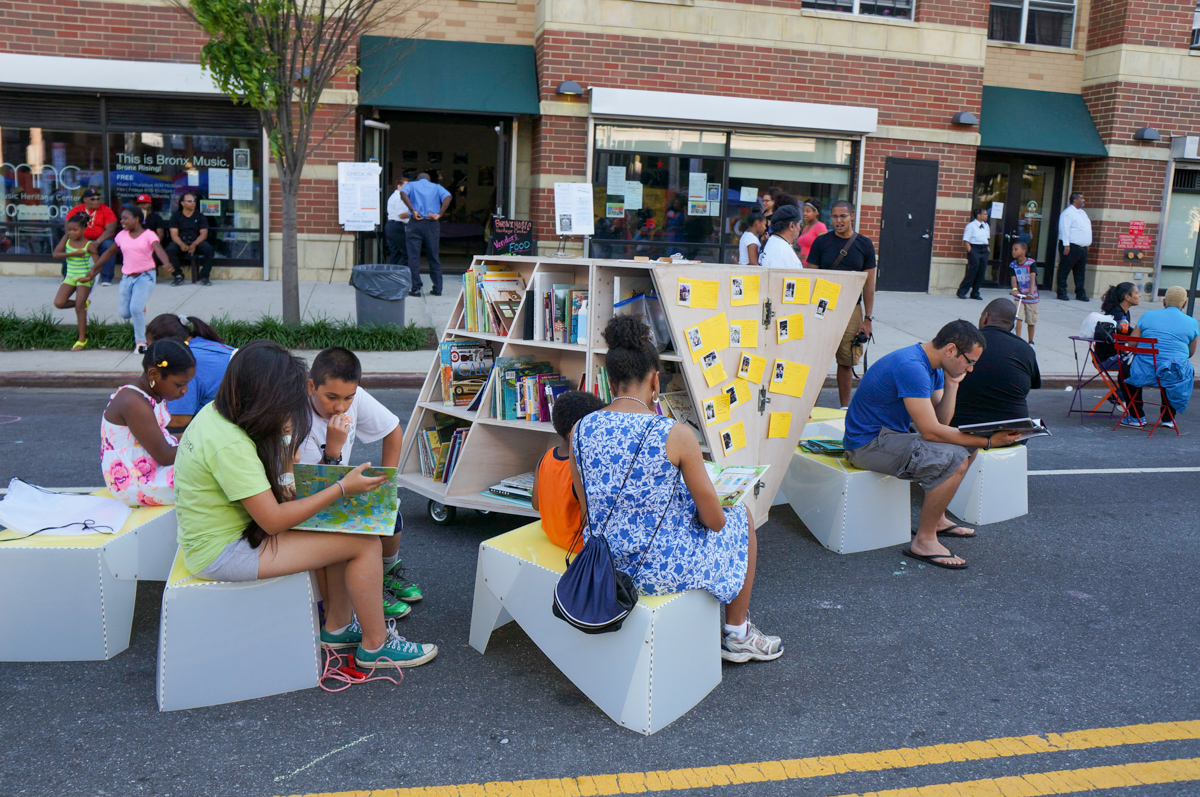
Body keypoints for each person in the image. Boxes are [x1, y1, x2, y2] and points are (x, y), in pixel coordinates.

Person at [173, 340, 437, 669]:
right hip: (223, 551)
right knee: (365, 543)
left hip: (228, 535)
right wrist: (342, 487)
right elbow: (273, 521)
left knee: (337, 528)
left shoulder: (218, 415)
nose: (288, 404)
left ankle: (339, 627)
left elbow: (278, 494)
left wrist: (286, 457)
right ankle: (376, 644)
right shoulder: (228, 443)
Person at [570, 315, 783, 662]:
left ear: (610, 381)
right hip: (654, 571)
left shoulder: (580, 428)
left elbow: (587, 508)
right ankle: (737, 633)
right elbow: (714, 522)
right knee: (740, 517)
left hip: (600, 563)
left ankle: (737, 633)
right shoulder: (674, 433)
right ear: (655, 381)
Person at [843, 320, 1023, 569]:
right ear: (951, 349)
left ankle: (936, 520)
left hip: (892, 436)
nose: (970, 369)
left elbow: (941, 421)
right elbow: (931, 432)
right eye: (969, 361)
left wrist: (952, 385)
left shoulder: (935, 366)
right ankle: (924, 541)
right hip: (867, 445)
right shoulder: (912, 367)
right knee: (954, 457)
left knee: (966, 450)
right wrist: (989, 441)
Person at [297, 347, 423, 616]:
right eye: (331, 397)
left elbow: (391, 429)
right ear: (311, 387)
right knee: (360, 536)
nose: (341, 406)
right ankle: (368, 590)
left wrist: (387, 485)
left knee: (390, 512)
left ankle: (386, 572)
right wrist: (332, 450)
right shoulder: (298, 420)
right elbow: (307, 488)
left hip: (342, 487)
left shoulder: (352, 397)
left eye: (347, 398)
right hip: (313, 499)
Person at [101, 339, 196, 507]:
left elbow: (159, 439)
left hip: (149, 468)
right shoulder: (132, 402)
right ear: (154, 375)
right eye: (180, 384)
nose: (185, 390)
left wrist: (200, 435)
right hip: (135, 481)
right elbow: (165, 455)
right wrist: (205, 445)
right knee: (211, 475)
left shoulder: (151, 394)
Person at [805, 199, 877, 409]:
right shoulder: (821, 242)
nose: (838, 220)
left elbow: (869, 285)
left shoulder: (864, 244)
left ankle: (844, 408)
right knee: (818, 360)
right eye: (834, 216)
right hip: (823, 306)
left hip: (851, 308)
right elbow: (811, 279)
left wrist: (868, 318)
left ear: (852, 216)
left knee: (846, 360)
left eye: (843, 216)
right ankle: (809, 408)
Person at [89, 207, 171, 353]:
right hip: (127, 278)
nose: (122, 221)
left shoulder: (148, 235)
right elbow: (109, 252)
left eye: (125, 218)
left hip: (145, 276)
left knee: (135, 309)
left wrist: (166, 262)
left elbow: (158, 249)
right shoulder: (121, 235)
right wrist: (95, 268)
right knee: (125, 313)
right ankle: (140, 307)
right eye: (122, 218)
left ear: (137, 219)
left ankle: (140, 342)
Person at [532, 390, 605, 552]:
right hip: (578, 547)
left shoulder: (545, 457)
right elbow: (590, 522)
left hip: (552, 535)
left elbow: (536, 505)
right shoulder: (580, 469)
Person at [951, 299, 1041, 427]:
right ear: (1013, 324)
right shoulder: (1025, 349)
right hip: (1011, 431)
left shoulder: (963, 341)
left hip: (959, 427)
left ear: (985, 318)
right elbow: (1031, 385)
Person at [1122, 285, 1197, 429]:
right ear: (1184, 304)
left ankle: (1136, 416)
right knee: (1174, 370)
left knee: (1125, 371)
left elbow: (1132, 344)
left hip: (1143, 370)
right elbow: (1189, 353)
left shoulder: (1148, 315)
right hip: (1172, 373)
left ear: (1163, 302)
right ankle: (1168, 418)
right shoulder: (1192, 322)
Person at [145, 314, 235, 430]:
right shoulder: (202, 343)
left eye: (151, 349)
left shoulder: (185, 360)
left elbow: (180, 420)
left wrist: (137, 420)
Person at [51, 212, 98, 351]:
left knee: (79, 308)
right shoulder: (67, 239)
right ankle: (83, 303)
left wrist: (89, 277)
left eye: (75, 230)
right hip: (70, 276)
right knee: (59, 303)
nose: (71, 232)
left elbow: (97, 265)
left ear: (84, 229)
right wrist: (72, 253)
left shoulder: (89, 245)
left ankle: (81, 339)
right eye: (69, 230)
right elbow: (56, 254)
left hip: (84, 277)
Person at [401, 172, 452, 297]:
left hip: (415, 222)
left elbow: (402, 193)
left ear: (418, 179)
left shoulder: (412, 185)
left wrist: (412, 210)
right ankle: (438, 288)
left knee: (413, 257)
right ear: (429, 180)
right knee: (433, 256)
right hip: (431, 223)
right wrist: (440, 214)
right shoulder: (436, 187)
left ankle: (416, 288)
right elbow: (448, 197)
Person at [65, 187, 118, 286]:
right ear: (85, 199)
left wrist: (97, 242)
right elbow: (69, 228)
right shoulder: (76, 210)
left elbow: (110, 230)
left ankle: (106, 278)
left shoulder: (106, 210)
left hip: (100, 239)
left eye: (98, 198)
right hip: (80, 239)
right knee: (68, 245)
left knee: (109, 245)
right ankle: (67, 276)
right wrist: (81, 241)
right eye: (93, 199)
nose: (96, 201)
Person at [167, 192, 215, 287]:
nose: (193, 203)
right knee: (170, 249)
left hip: (197, 241)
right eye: (189, 201)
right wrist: (181, 244)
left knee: (209, 249)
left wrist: (194, 244)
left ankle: (204, 276)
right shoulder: (176, 216)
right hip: (181, 241)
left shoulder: (200, 216)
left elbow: (204, 234)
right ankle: (178, 275)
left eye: (194, 201)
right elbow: (174, 234)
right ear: (182, 203)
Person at [1094, 282, 1141, 368]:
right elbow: (1122, 336)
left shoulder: (1124, 312)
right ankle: (1125, 381)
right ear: (1127, 297)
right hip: (1108, 360)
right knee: (1144, 363)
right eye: (1137, 293)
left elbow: (1127, 332)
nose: (1139, 296)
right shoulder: (1117, 314)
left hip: (1114, 356)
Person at [1057, 192, 1092, 301]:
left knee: (1080, 272)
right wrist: (1066, 244)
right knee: (1064, 270)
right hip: (1071, 246)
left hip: (1082, 248)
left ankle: (1080, 293)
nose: (1084, 200)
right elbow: (1064, 229)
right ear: (1075, 200)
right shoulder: (1068, 213)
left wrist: (1087, 243)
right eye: (1081, 198)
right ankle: (1061, 292)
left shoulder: (1082, 213)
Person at [1008, 241, 1040, 344]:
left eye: (1016, 249)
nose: (1013, 251)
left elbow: (1032, 277)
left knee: (1031, 320)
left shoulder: (1031, 263)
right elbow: (1013, 279)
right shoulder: (1012, 265)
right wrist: (1014, 290)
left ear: (1023, 251)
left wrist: (1031, 293)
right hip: (1019, 295)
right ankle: (1018, 339)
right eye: (1013, 249)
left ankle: (1031, 341)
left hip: (1031, 296)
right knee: (1018, 317)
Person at [958, 206, 990, 300]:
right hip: (974, 248)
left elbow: (987, 239)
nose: (986, 215)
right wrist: (971, 252)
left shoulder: (986, 225)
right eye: (984, 214)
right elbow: (966, 240)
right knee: (972, 270)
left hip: (984, 248)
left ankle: (975, 292)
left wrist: (988, 249)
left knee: (981, 271)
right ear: (978, 215)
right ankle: (962, 291)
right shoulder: (971, 226)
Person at [758, 204, 803, 269]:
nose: (800, 229)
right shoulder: (781, 252)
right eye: (799, 225)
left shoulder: (774, 242)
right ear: (792, 226)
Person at [385, 175, 411, 269]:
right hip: (397, 227)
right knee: (407, 253)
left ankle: (391, 275)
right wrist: (416, 213)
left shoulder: (395, 196)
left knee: (395, 253)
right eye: (406, 186)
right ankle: (400, 274)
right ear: (399, 186)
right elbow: (401, 214)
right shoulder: (400, 197)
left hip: (393, 226)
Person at [797, 200, 828, 265]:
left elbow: (825, 247)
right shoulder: (806, 228)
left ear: (816, 212)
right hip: (802, 265)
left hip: (812, 266)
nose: (804, 213)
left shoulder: (820, 226)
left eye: (808, 211)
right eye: (803, 211)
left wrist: (810, 257)